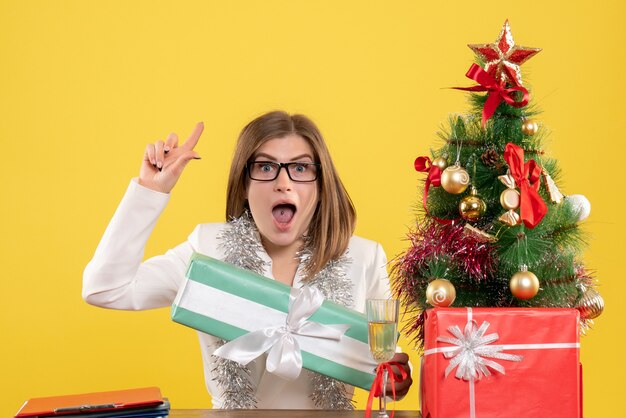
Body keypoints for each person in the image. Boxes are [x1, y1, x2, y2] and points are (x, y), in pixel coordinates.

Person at [83, 110, 412, 409]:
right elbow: (105, 289)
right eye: (266, 167)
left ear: (321, 186)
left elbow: (386, 361)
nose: (283, 184)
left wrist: (398, 374)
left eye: (300, 168)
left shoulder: (364, 257)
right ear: (243, 184)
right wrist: (149, 191)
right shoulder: (207, 247)